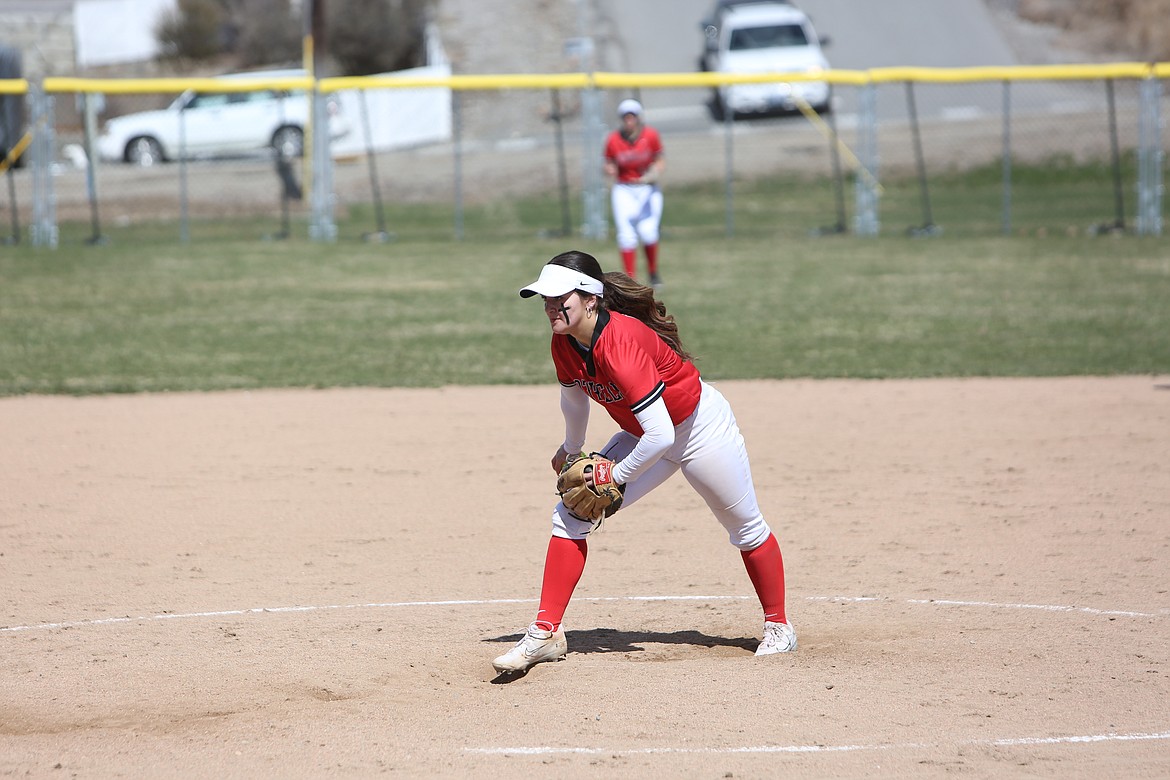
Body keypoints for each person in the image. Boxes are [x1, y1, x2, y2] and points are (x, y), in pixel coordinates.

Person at [492, 250, 795, 674]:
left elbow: (664, 436)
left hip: (697, 428)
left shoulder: (621, 342)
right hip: (644, 433)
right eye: (544, 298)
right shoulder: (565, 341)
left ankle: (779, 626)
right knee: (571, 516)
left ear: (590, 299)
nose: (550, 307)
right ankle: (544, 634)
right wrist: (573, 447)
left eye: (560, 298)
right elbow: (574, 395)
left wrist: (615, 473)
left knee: (744, 526)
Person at [604, 99, 665, 289]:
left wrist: (653, 173)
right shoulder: (614, 139)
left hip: (647, 188)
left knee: (648, 232)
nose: (629, 121)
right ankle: (630, 280)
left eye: (632, 116)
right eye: (626, 117)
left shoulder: (650, 135)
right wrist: (610, 170)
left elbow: (659, 160)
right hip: (624, 188)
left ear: (638, 118)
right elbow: (608, 162)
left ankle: (653, 273)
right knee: (626, 235)